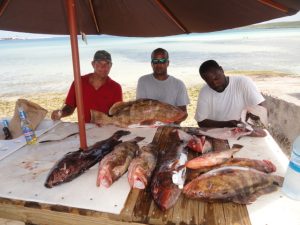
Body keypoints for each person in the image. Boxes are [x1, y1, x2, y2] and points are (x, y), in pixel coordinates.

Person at [51, 50, 122, 123]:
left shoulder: (116, 87)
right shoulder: (79, 82)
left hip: (106, 128)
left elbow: (117, 113)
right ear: (93, 64)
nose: (103, 67)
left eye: (107, 64)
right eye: (99, 63)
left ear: (111, 66)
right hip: (84, 128)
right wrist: (61, 113)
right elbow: (70, 107)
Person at [195, 59, 266, 128]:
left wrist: (253, 115)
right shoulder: (204, 91)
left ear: (221, 70)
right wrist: (226, 124)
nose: (215, 84)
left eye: (216, 78)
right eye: (209, 82)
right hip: (217, 134)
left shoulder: (243, 82)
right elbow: (201, 122)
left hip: (242, 131)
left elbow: (260, 110)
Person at [136, 48, 190, 114]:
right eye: (155, 61)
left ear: (167, 63)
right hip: (148, 123)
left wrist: (171, 123)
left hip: (171, 123)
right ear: (152, 64)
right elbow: (140, 108)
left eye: (162, 60)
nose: (159, 64)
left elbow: (183, 113)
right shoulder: (143, 81)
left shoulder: (179, 84)